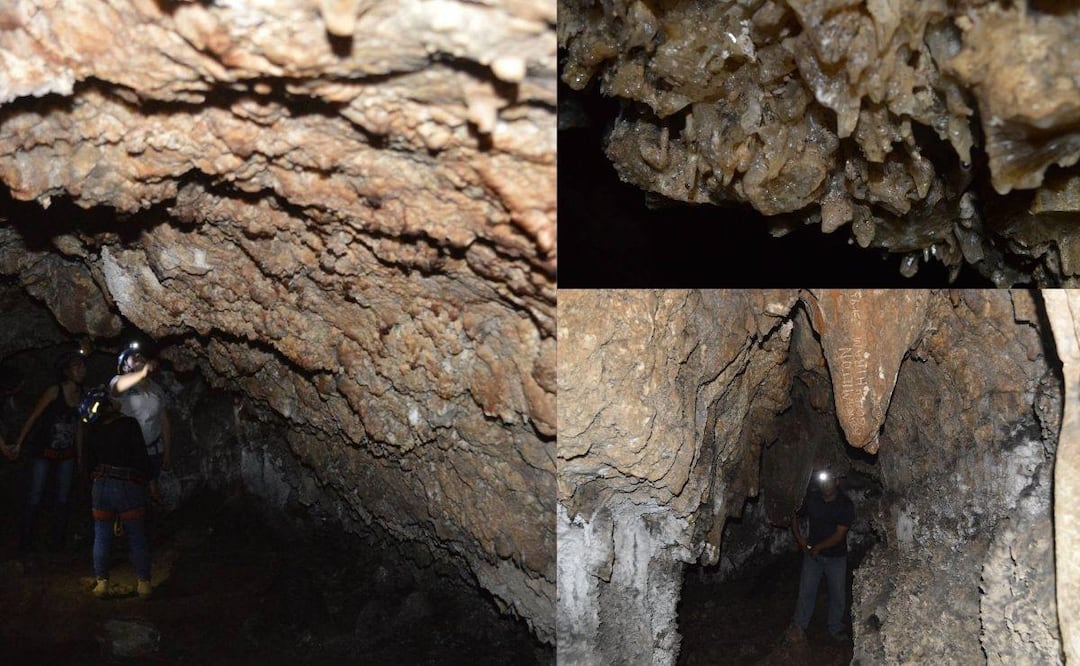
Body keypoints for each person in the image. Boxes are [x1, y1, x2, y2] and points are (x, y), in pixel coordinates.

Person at [4, 350, 87, 554]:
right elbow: (34, 417)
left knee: (63, 498)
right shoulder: (54, 391)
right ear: (67, 371)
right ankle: (25, 543)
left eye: (83, 366)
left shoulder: (83, 395)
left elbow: (78, 427)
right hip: (44, 452)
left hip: (67, 454)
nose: (82, 370)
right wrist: (19, 443)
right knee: (35, 496)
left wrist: (80, 456)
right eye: (77, 366)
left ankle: (58, 543)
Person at [78, 386, 152, 599]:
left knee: (101, 535)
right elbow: (141, 457)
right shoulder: (128, 424)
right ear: (107, 405)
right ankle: (144, 584)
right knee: (137, 535)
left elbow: (88, 463)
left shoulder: (92, 430)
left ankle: (102, 584)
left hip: (100, 487)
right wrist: (147, 480)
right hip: (126, 486)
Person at [788, 468, 855, 643]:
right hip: (813, 556)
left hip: (836, 557)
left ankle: (835, 628)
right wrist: (800, 539)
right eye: (823, 480)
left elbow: (839, 535)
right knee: (806, 591)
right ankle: (799, 626)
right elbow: (792, 512)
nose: (825, 484)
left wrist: (817, 547)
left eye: (829, 480)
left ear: (837, 482)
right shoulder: (812, 499)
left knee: (837, 595)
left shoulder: (845, 505)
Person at [109, 344, 171, 494]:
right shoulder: (119, 381)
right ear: (124, 367)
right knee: (130, 495)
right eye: (133, 355)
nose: (139, 356)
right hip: (127, 453)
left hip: (153, 451)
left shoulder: (156, 388)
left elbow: (163, 421)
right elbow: (117, 388)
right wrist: (143, 372)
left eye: (140, 354)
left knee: (150, 495)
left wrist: (167, 453)